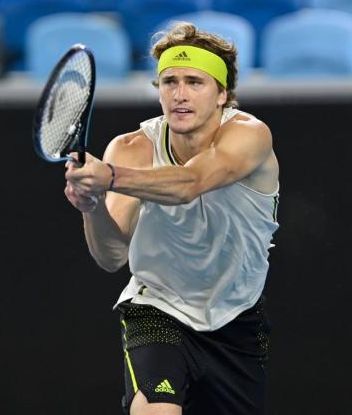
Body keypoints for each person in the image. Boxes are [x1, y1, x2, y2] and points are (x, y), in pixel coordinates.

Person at [64, 22, 280, 415]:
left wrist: (110, 177)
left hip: (237, 319)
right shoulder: (130, 149)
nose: (179, 95)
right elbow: (111, 256)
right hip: (158, 310)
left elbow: (191, 182)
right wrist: (92, 206)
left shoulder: (250, 135)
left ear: (223, 95)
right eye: (169, 82)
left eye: (195, 82)